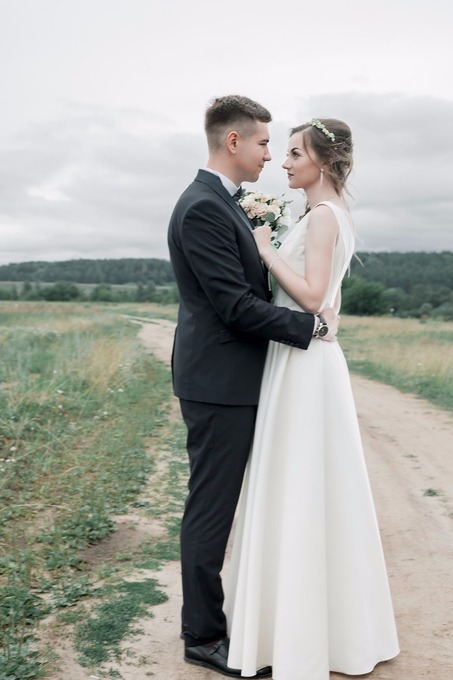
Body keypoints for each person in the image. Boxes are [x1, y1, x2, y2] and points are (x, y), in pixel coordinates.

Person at [167, 96, 339, 678]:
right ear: (233, 141)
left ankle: (230, 619)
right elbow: (235, 306)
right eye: (265, 143)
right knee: (211, 510)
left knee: (222, 506)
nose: (271, 154)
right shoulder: (203, 208)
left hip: (235, 378)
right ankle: (203, 636)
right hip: (219, 383)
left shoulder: (225, 202)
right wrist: (310, 327)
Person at [224, 118, 400, 679]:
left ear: (322, 161)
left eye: (295, 153)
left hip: (304, 364)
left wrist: (265, 250)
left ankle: (300, 634)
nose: (284, 161)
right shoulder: (318, 213)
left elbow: (314, 296)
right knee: (301, 481)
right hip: (296, 358)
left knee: (302, 482)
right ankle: (299, 624)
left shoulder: (324, 216)